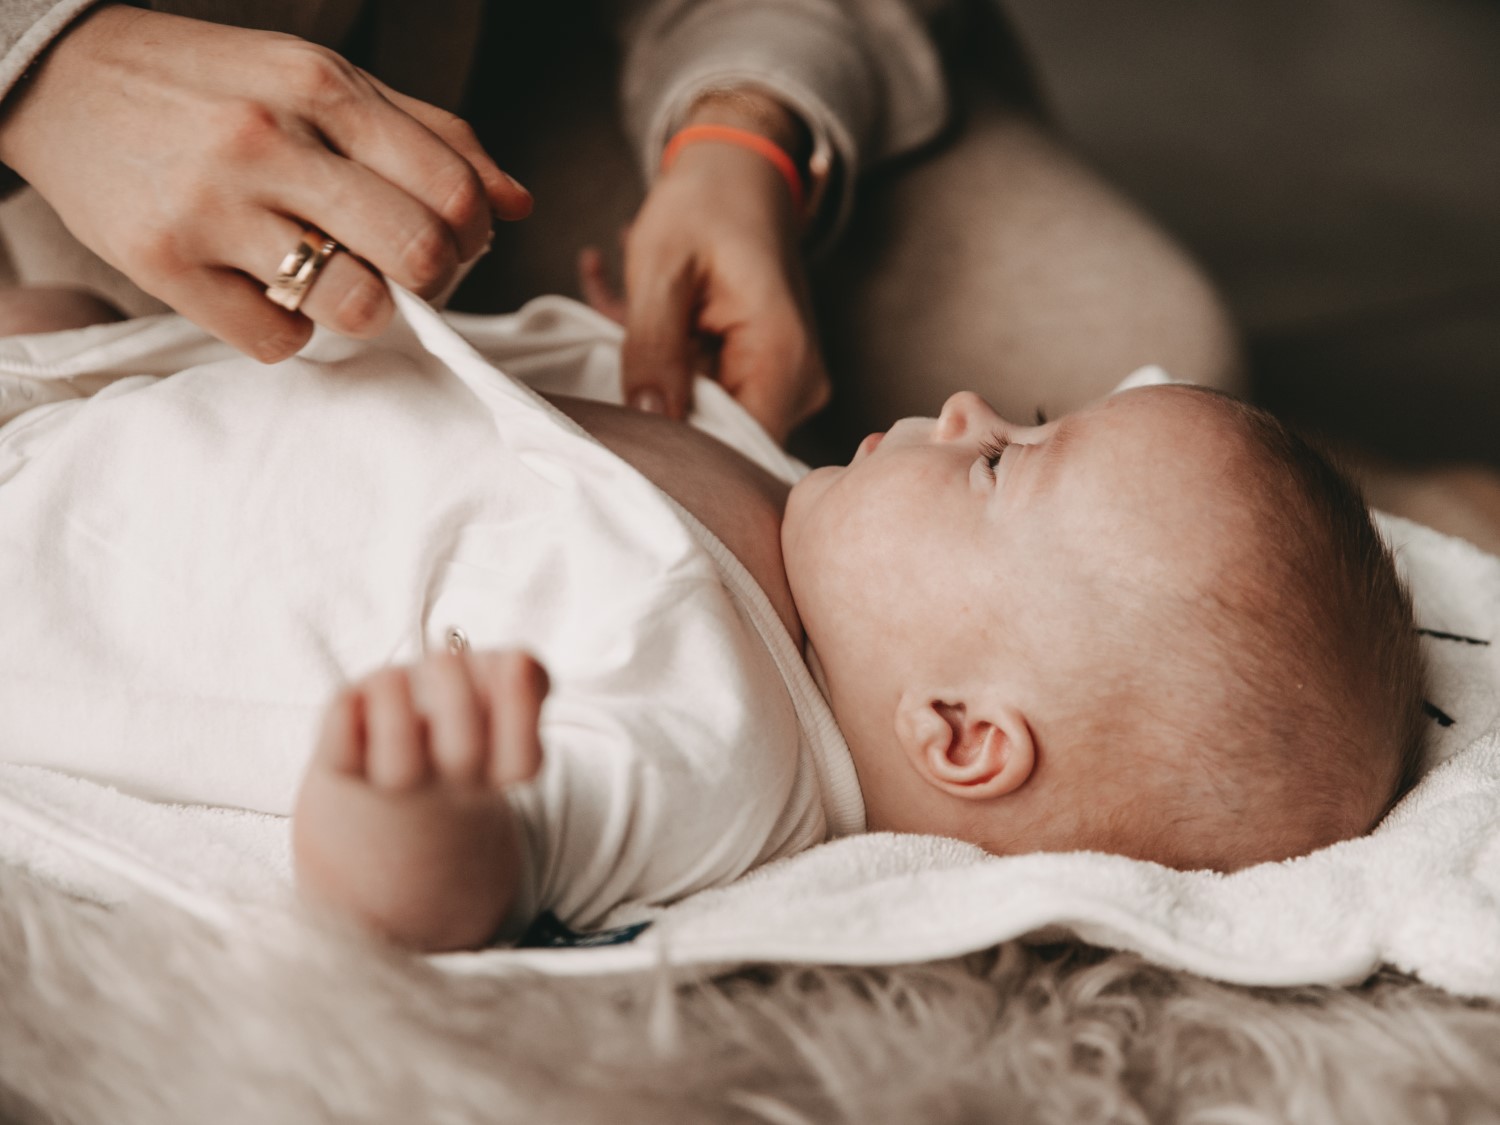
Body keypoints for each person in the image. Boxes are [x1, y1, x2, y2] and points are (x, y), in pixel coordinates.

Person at [0, 286, 1423, 953]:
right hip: (123, 392)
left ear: (960, 731)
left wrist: (416, 807)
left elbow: (464, 898)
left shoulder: (716, 742)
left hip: (60, 565)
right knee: (50, 291)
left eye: (1004, 461)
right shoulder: (799, 539)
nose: (969, 408)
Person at [0, 0, 1242, 451]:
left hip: (537, 48)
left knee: (1146, 371)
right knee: (64, 358)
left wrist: (743, 137)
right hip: (58, 159)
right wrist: (45, 67)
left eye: (995, 469)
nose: (968, 417)